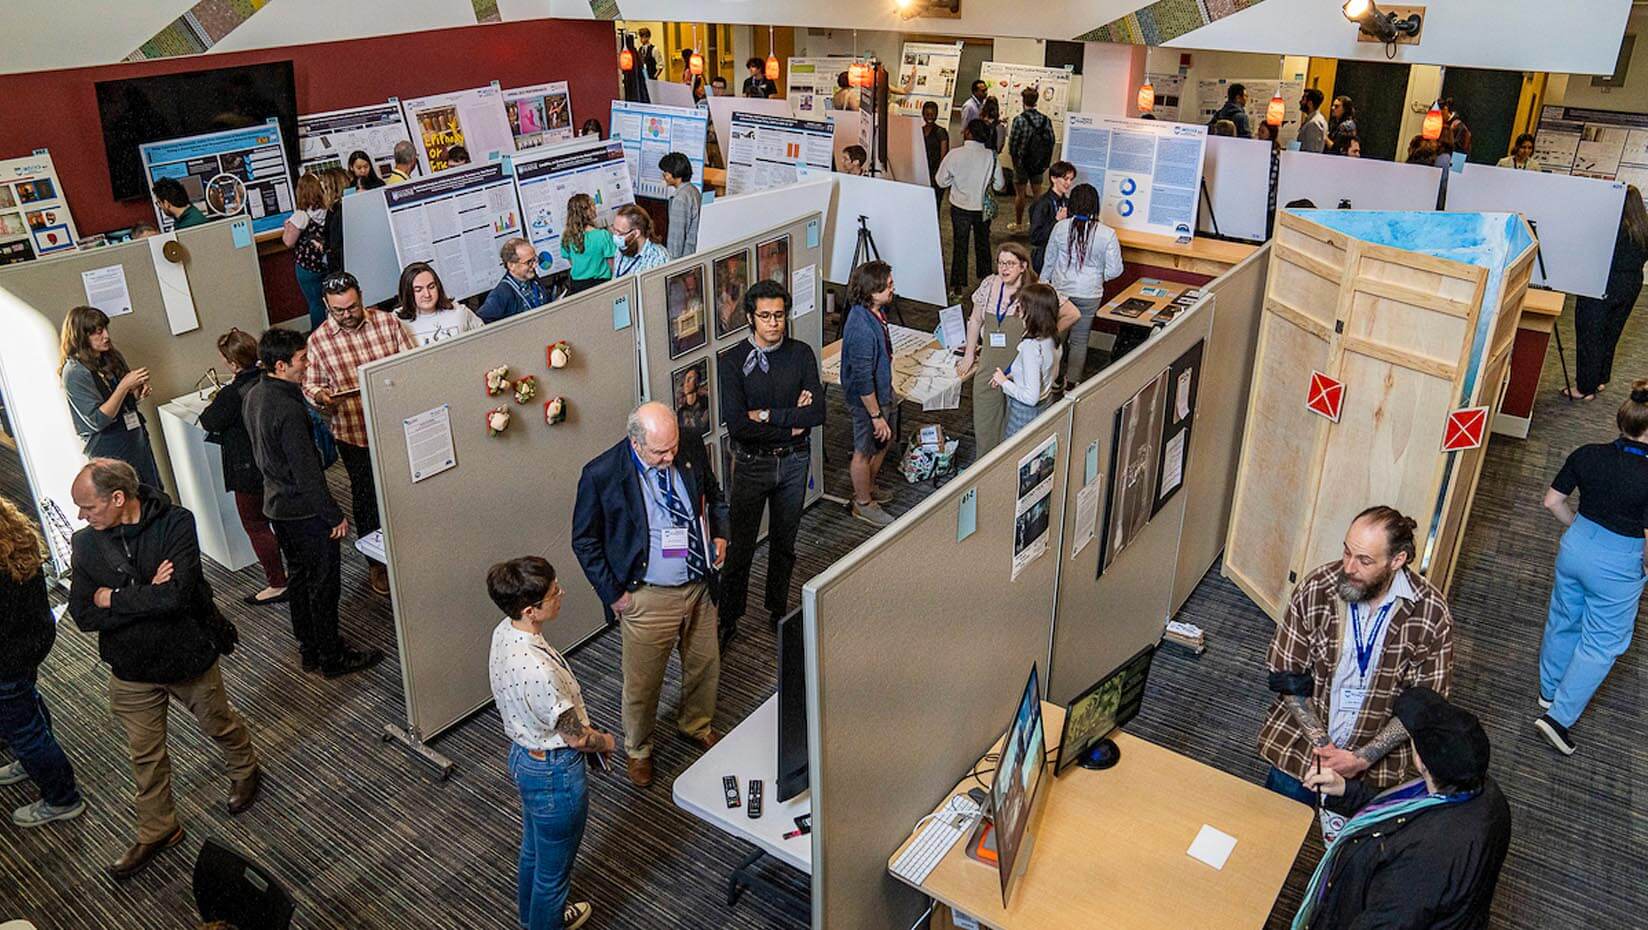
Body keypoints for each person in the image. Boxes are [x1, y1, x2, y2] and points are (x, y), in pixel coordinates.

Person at [68, 458, 261, 880]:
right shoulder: (85, 544)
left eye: (89, 507)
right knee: (146, 756)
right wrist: (143, 593)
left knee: (218, 723)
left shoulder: (176, 523)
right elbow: (83, 614)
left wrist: (113, 599)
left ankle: (245, 769)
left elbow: (176, 597)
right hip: (131, 669)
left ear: (119, 499)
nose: (82, 516)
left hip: (185, 657)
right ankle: (159, 829)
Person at [571, 402, 727, 789]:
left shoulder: (687, 445)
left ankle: (696, 724)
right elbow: (584, 541)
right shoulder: (602, 474)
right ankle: (638, 749)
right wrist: (615, 596)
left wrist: (720, 534)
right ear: (635, 443)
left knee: (704, 665)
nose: (670, 456)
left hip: (698, 584)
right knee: (643, 684)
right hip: (646, 596)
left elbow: (714, 493)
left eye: (672, 447)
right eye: (660, 451)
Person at [1260, 506, 1454, 809]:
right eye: (1347, 552)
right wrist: (1324, 747)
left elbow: (1424, 704)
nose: (1349, 567)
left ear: (1397, 560)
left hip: (1378, 760)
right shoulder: (1317, 588)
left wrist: (1361, 759)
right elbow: (1288, 675)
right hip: (1307, 746)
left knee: (1358, 849)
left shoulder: (1431, 612)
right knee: (1274, 823)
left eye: (1364, 560)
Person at [1297, 687, 1511, 930]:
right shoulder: (1485, 794)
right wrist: (1347, 790)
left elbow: (1388, 921)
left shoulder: (1421, 862)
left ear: (1420, 760)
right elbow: (1402, 810)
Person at [244, 327, 384, 677]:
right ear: (280, 365)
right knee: (323, 587)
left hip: (278, 507)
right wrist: (333, 515)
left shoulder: (254, 395)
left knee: (300, 582)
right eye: (301, 359)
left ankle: (309, 649)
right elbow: (307, 472)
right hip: (305, 512)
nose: (307, 365)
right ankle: (332, 656)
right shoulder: (288, 409)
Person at [487, 556, 612, 930]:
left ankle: (531, 920)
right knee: (553, 877)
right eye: (555, 592)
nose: (562, 594)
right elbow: (576, 739)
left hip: (525, 758)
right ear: (531, 609)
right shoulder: (537, 671)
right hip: (554, 775)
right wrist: (606, 741)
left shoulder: (504, 631)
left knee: (534, 851)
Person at [1534, 384, 1648, 754]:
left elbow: (1552, 501)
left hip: (1576, 544)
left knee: (1564, 617)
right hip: (1619, 561)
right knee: (1601, 644)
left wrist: (1577, 529)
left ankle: (1548, 691)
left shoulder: (1587, 453)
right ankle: (1558, 720)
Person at [717, 280, 826, 644]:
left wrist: (766, 415)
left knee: (785, 542)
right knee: (741, 547)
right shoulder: (733, 362)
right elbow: (738, 426)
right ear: (750, 317)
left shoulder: (801, 353)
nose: (773, 323)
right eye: (765, 316)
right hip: (751, 464)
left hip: (795, 463)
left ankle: (777, 608)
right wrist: (791, 419)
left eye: (779, 315)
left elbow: (818, 413)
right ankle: (728, 618)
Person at [303, 271, 414, 597]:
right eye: (339, 310)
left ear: (361, 296)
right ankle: (376, 564)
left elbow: (412, 360)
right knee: (367, 501)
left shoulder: (387, 323)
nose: (348, 315)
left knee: (406, 491)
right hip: (354, 434)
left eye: (352, 307)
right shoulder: (319, 341)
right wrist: (321, 397)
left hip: (396, 426)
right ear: (326, 305)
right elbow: (310, 386)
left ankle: (411, 550)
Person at [0, 494, 85, 829]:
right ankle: (29, 760)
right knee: (28, 705)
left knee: (23, 730)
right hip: (28, 647)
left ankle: (63, 799)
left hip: (5, 661)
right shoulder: (16, 541)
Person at [957, 243, 1078, 456]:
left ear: (1023, 266)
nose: (1004, 268)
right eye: (1001, 263)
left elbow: (1073, 314)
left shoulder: (1037, 290)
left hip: (1022, 367)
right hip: (991, 365)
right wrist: (968, 356)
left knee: (1017, 429)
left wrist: (1043, 334)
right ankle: (984, 468)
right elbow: (975, 320)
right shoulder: (989, 284)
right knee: (986, 421)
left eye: (1010, 263)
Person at [196, 329, 287, 606]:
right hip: (277, 461)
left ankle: (277, 583)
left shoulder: (232, 394)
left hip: (248, 469)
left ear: (232, 363)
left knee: (256, 525)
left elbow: (209, 421)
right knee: (283, 521)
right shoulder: (271, 380)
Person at [58, 305, 163, 491]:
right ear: (82, 336)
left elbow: (122, 402)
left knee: (152, 494)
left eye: (105, 329)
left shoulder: (110, 357)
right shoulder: (75, 372)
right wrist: (124, 386)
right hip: (109, 449)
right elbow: (97, 420)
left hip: (134, 439)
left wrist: (136, 394)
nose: (106, 336)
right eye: (98, 333)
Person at [1570, 185, 1648, 400]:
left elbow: (1588, 252)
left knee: (1590, 336)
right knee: (1611, 333)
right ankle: (1600, 379)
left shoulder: (1611, 227)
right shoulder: (1643, 227)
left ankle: (1585, 388)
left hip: (1602, 282)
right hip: (1631, 284)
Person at [1044, 183, 1122, 389]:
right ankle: (1073, 383)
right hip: (1090, 293)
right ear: (1096, 205)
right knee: (1080, 339)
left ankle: (1055, 379)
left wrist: (1043, 285)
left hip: (1061, 291)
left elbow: (1049, 261)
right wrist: (1098, 277)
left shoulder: (1060, 228)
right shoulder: (1107, 233)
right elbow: (1116, 270)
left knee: (1058, 337)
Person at [840, 262, 899, 527]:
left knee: (884, 441)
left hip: (882, 392)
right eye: (887, 286)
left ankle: (867, 487)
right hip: (868, 402)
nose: (892, 289)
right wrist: (876, 415)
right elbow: (863, 380)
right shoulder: (862, 327)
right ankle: (863, 503)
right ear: (871, 291)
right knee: (863, 451)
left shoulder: (874, 313)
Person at [936, 120, 1006, 300]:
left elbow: (940, 180)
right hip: (981, 208)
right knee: (983, 245)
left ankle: (957, 288)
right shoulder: (991, 156)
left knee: (960, 245)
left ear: (968, 133)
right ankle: (987, 282)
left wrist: (954, 182)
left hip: (960, 207)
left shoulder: (955, 154)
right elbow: (999, 185)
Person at [992, 283, 1062, 439]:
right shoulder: (1053, 337)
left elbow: (1031, 397)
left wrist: (1003, 382)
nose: (1019, 312)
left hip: (1024, 414)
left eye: (1022, 307)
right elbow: (1051, 373)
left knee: (1014, 456)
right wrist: (1014, 376)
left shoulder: (1030, 347)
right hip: (1046, 405)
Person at [283, 171, 332, 330]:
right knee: (329, 299)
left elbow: (288, 241)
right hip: (325, 263)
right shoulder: (326, 211)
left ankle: (319, 333)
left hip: (307, 266)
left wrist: (287, 227)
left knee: (315, 302)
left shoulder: (301, 215)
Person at [395, 261, 482, 346]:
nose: (427, 294)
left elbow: (485, 340)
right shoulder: (396, 321)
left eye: (431, 287)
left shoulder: (459, 312)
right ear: (407, 293)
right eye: (418, 290)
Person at [1008, 87, 1056, 232]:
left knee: (1020, 194)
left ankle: (1018, 224)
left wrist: (1016, 161)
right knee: (1037, 193)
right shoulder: (1045, 120)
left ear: (1023, 101)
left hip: (1022, 163)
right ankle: (1035, 223)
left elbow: (1012, 144)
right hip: (1038, 163)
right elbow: (1051, 140)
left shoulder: (1019, 120)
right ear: (1036, 101)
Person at [481, 238, 550, 324]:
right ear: (511, 265)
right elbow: (482, 320)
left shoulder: (534, 279)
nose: (535, 265)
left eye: (535, 259)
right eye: (529, 262)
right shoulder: (501, 293)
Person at [559, 193, 615, 294]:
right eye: (592, 205)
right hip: (601, 284)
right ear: (586, 211)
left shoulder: (566, 237)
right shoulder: (602, 235)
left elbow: (572, 262)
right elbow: (612, 265)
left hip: (577, 286)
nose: (595, 208)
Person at [1028, 161, 1076, 274]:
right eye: (1065, 179)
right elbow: (1035, 237)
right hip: (1044, 256)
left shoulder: (1068, 202)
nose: (1068, 183)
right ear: (1053, 178)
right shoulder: (1042, 204)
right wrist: (1056, 221)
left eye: (1071, 179)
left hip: (1063, 256)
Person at [660, 152, 701, 260]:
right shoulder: (693, 190)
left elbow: (676, 237)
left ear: (676, 173)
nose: (664, 176)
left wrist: (672, 262)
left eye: (666, 173)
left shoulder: (680, 198)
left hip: (683, 258)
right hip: (693, 252)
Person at [610, 205, 670, 278]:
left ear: (636, 233)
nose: (615, 236)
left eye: (620, 232)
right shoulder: (622, 247)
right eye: (614, 230)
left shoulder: (658, 257)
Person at [921, 100, 950, 206]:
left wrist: (939, 175)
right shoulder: (920, 130)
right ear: (923, 114)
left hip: (935, 174)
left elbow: (944, 155)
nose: (930, 117)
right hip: (922, 173)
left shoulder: (941, 132)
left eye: (933, 114)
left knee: (934, 204)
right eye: (927, 114)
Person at [1297, 88, 1328, 153]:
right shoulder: (1312, 120)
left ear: (1310, 103)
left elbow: (1312, 151)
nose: (1300, 102)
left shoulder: (1314, 123)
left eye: (1303, 99)